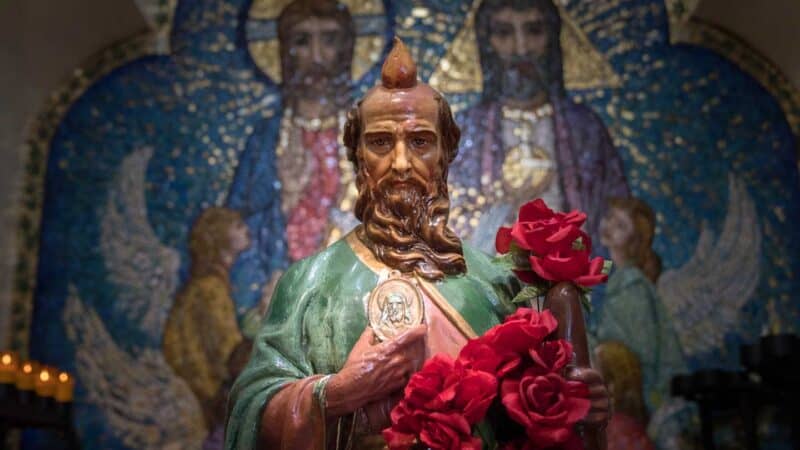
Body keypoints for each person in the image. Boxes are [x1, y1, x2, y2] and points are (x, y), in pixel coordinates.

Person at [225, 38, 608, 450]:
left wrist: (582, 413)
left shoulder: (494, 284)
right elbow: (250, 412)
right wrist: (336, 394)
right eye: (380, 143)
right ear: (358, 158)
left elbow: (528, 428)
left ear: (446, 154)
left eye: (420, 142)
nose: (402, 163)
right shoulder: (308, 283)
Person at [451, 0, 629, 252]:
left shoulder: (585, 129)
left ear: (553, 38)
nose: (521, 48)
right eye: (504, 33)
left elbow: (616, 223)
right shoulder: (465, 130)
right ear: (486, 43)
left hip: (568, 280)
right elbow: (451, 223)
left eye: (534, 31)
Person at [226, 0, 359, 310]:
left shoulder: (367, 134)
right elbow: (231, 234)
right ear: (286, 52)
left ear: (346, 49)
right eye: (302, 41)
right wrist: (285, 198)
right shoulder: (266, 139)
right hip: (278, 291)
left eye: (329, 40)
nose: (316, 57)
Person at [162, 207, 251, 437]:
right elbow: (226, 352)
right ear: (220, 236)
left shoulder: (212, 285)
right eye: (238, 226)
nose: (246, 231)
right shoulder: (210, 289)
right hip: (203, 391)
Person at [595, 197, 687, 414]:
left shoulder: (633, 288)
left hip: (643, 400)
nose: (609, 227)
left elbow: (636, 356)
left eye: (621, 225)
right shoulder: (620, 282)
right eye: (609, 218)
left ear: (634, 241)